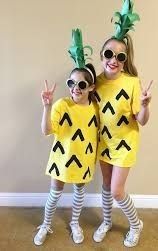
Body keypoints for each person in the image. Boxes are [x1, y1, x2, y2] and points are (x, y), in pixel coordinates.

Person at [93, 0, 153, 248]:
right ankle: (106, 221)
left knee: (117, 191)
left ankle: (136, 223)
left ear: (125, 59)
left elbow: (142, 120)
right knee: (106, 187)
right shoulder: (95, 82)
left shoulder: (131, 82)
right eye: (109, 54)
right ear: (102, 55)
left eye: (120, 56)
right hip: (103, 142)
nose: (113, 60)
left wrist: (145, 105)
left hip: (125, 144)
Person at [33, 29, 98, 246]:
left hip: (84, 157)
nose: (75, 88)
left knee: (79, 192)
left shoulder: (95, 108)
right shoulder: (62, 105)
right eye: (71, 83)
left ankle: (75, 223)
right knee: (55, 193)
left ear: (91, 87)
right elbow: (46, 130)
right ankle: (45, 224)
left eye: (81, 84)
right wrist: (47, 106)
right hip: (62, 157)